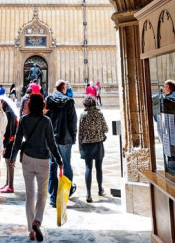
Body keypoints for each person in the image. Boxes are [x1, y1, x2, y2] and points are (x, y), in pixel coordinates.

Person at [10, 93, 63, 242]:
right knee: (42, 194)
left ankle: (31, 231)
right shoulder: (46, 121)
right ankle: (37, 221)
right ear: (43, 105)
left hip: (27, 158)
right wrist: (59, 160)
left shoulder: (24, 120)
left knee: (30, 195)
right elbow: (51, 143)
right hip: (42, 160)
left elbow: (18, 141)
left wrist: (13, 158)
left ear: (30, 104)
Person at [45, 79, 77, 207]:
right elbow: (73, 121)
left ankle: (53, 197)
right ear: (63, 88)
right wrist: (73, 136)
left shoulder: (49, 100)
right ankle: (64, 194)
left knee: (52, 165)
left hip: (51, 137)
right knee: (66, 165)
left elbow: (45, 117)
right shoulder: (69, 101)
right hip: (65, 138)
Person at [78, 95, 108, 202]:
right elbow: (106, 128)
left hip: (87, 144)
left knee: (88, 167)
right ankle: (100, 189)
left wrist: (80, 146)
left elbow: (80, 133)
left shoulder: (83, 115)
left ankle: (88, 193)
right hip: (98, 143)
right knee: (99, 167)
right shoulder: (99, 114)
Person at [0, 97, 18, 194]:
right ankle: (7, 183)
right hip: (11, 141)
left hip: (10, 142)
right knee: (7, 163)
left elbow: (9, 131)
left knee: (9, 163)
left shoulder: (9, 114)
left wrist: (5, 144)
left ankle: (10, 186)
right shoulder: (10, 112)